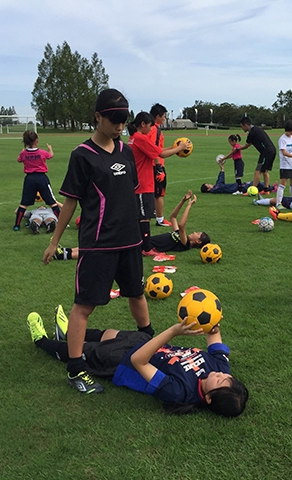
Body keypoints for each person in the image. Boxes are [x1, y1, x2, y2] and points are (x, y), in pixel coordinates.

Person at [42, 88, 153, 395]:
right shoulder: (82, 156)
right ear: (98, 117)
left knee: (136, 293)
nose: (120, 126)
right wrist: (55, 241)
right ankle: (76, 369)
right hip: (98, 244)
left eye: (124, 120)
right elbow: (70, 204)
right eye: (114, 119)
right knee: (84, 307)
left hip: (129, 242)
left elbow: (128, 194)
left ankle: (151, 341)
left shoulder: (126, 151)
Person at [26, 309, 248, 417]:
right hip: (150, 344)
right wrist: (213, 320)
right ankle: (68, 331)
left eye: (219, 381)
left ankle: (41, 341)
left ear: (208, 399)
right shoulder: (221, 369)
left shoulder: (179, 391)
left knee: (80, 351)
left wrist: (173, 331)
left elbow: (138, 360)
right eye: (227, 377)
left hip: (122, 363)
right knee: (109, 334)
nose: (220, 375)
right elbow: (214, 337)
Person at [54, 192, 210, 260]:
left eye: (198, 234)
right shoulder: (178, 236)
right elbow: (173, 217)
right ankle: (66, 252)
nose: (195, 232)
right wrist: (183, 200)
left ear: (198, 242)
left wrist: (190, 205)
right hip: (141, 239)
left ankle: (64, 254)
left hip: (140, 245)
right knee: (103, 243)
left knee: (104, 247)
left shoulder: (185, 244)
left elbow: (182, 225)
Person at [127, 112, 189, 255]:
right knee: (144, 216)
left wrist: (174, 147)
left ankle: (141, 245)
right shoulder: (140, 138)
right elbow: (161, 155)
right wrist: (180, 148)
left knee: (144, 215)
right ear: (143, 124)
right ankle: (146, 248)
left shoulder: (135, 138)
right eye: (149, 126)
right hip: (143, 183)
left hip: (143, 182)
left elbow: (158, 151)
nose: (150, 129)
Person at [13, 131, 60, 231]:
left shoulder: (24, 153)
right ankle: (62, 222)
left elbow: (19, 159)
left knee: (24, 203)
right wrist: (50, 149)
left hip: (29, 179)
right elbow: (50, 156)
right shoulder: (42, 152)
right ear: (37, 140)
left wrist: (22, 152)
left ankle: (17, 225)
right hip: (41, 178)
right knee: (51, 202)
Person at [238, 117, 277, 191]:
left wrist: (238, 148)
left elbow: (247, 145)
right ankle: (266, 189)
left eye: (242, 126)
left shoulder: (252, 132)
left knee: (258, 171)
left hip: (266, 152)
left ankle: (253, 190)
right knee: (265, 171)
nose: (242, 128)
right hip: (272, 151)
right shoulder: (257, 129)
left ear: (246, 125)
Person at [149, 103, 172, 227]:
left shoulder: (149, 128)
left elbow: (158, 149)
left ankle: (153, 213)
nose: (165, 119)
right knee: (159, 194)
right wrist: (159, 169)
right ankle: (160, 219)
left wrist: (175, 148)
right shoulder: (155, 130)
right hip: (155, 165)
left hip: (149, 165)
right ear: (158, 116)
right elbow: (154, 151)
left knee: (151, 192)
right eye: (164, 116)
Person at [201, 161, 267, 194]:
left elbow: (219, 182)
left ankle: (267, 188)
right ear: (208, 189)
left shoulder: (216, 188)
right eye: (208, 185)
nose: (210, 184)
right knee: (254, 183)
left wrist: (222, 170)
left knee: (254, 184)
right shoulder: (216, 188)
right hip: (239, 188)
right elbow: (220, 182)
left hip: (239, 187)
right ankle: (270, 188)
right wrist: (222, 170)